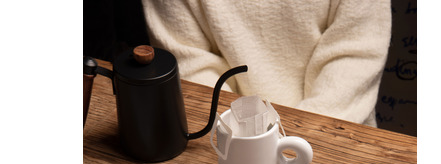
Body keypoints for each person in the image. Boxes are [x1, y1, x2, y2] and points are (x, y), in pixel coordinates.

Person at [141, 0, 391, 127]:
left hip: (340, 129)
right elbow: (189, 63)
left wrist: (298, 133)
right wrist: (248, 139)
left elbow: (355, 53)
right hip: (223, 138)